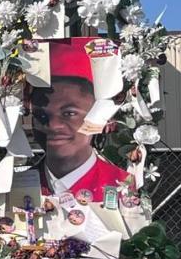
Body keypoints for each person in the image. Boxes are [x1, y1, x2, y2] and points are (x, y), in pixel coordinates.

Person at [30, 38, 133, 203]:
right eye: (42, 116)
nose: (54, 125)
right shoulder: (19, 186)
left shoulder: (122, 184)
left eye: (69, 113)